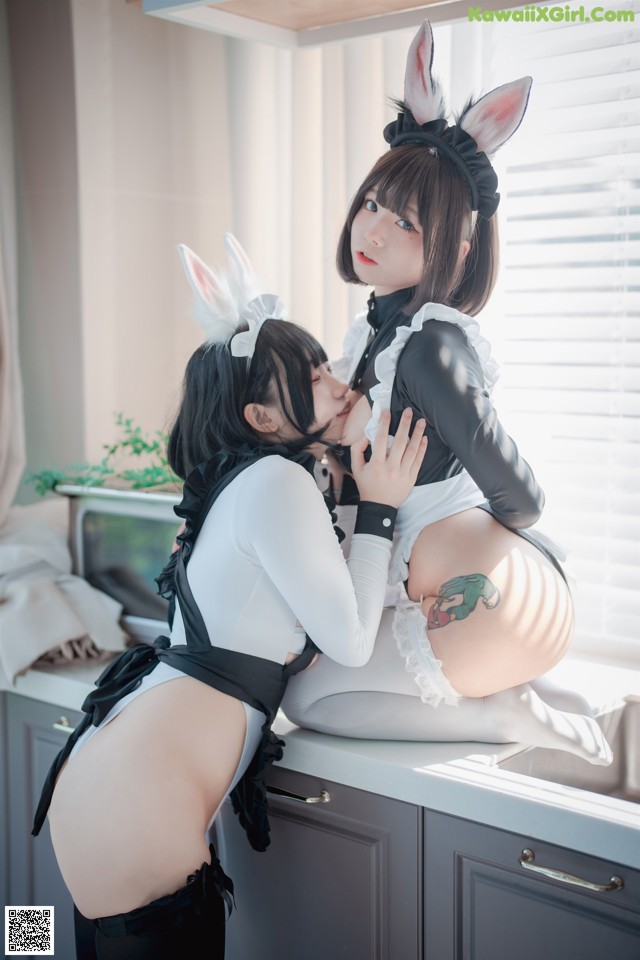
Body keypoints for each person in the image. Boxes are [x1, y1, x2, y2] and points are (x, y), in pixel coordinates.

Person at [31, 235, 427, 960]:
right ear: (262, 421)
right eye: (314, 378)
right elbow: (349, 639)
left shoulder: (244, 490)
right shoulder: (275, 484)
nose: (340, 384)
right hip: (136, 818)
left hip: (92, 801)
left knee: (40, 948)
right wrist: (381, 507)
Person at [281, 22, 613, 766]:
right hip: (456, 606)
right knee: (302, 687)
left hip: (486, 605)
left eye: (407, 222)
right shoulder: (377, 334)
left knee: (306, 702)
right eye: (373, 203)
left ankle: (504, 713)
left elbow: (521, 496)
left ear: (454, 252)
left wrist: (458, 540)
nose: (375, 229)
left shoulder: (431, 346)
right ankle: (522, 694)